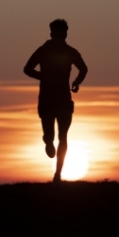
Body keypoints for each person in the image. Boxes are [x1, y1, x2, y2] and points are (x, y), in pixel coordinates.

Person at [23, 19, 88, 182]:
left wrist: (77, 82)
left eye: (63, 33)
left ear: (66, 34)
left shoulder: (70, 51)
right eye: (57, 33)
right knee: (50, 135)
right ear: (52, 34)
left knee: (63, 137)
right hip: (46, 99)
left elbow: (83, 68)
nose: (60, 36)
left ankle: (58, 174)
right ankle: (47, 141)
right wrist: (43, 76)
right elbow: (27, 68)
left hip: (65, 99)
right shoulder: (43, 50)